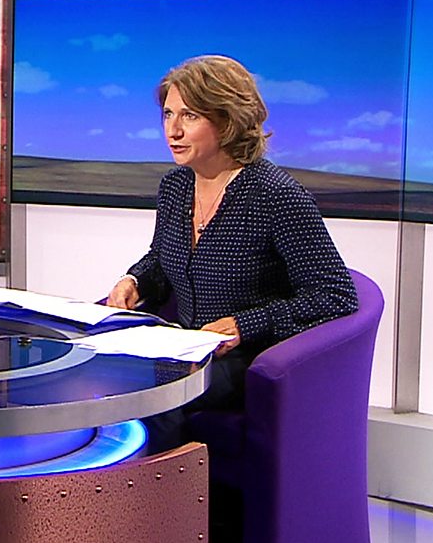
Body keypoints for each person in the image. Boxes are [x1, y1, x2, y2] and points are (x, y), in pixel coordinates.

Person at [107, 55, 358, 434]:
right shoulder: (175, 186)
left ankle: (156, 476)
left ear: (228, 122)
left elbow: (335, 295)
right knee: (105, 377)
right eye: (168, 114)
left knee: (152, 401)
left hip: (248, 358)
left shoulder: (275, 196)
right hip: (183, 346)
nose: (173, 130)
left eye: (190, 116)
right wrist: (135, 280)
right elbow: (162, 257)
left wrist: (245, 324)